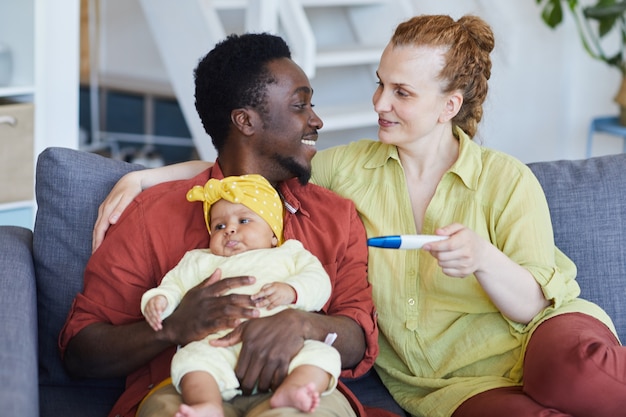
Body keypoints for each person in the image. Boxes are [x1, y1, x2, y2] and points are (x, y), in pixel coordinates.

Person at [94, 14, 626, 417]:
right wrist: (149, 176)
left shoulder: (507, 180)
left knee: (579, 380)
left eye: (402, 92)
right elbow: (257, 156)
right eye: (380, 82)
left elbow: (535, 302)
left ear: (448, 106)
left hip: (542, 334)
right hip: (451, 385)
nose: (379, 103)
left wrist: (484, 259)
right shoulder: (346, 172)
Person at [60, 32, 386, 417]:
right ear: (246, 121)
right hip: (184, 391)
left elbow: (357, 336)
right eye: (300, 105)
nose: (316, 120)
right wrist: (171, 328)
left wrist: (302, 325)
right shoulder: (154, 214)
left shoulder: (334, 215)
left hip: (303, 392)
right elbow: (79, 350)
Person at [142, 173, 340, 417]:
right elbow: (173, 285)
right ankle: (207, 405)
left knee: (324, 355)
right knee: (189, 361)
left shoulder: (289, 253)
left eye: (244, 221)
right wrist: (159, 300)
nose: (230, 230)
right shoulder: (200, 260)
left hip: (283, 349)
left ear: (273, 234)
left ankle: (293, 390)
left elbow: (318, 281)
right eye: (219, 226)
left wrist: (293, 291)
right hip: (217, 345)